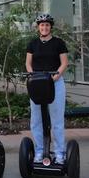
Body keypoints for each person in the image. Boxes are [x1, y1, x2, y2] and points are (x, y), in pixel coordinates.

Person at [25, 13, 69, 164]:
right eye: (42, 25)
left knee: (57, 120)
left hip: (55, 82)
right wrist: (32, 76)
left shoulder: (58, 43)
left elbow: (64, 63)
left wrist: (57, 75)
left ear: (51, 27)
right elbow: (28, 63)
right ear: (38, 27)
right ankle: (39, 151)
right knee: (36, 119)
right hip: (37, 84)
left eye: (47, 25)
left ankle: (59, 153)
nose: (44, 27)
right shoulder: (33, 43)